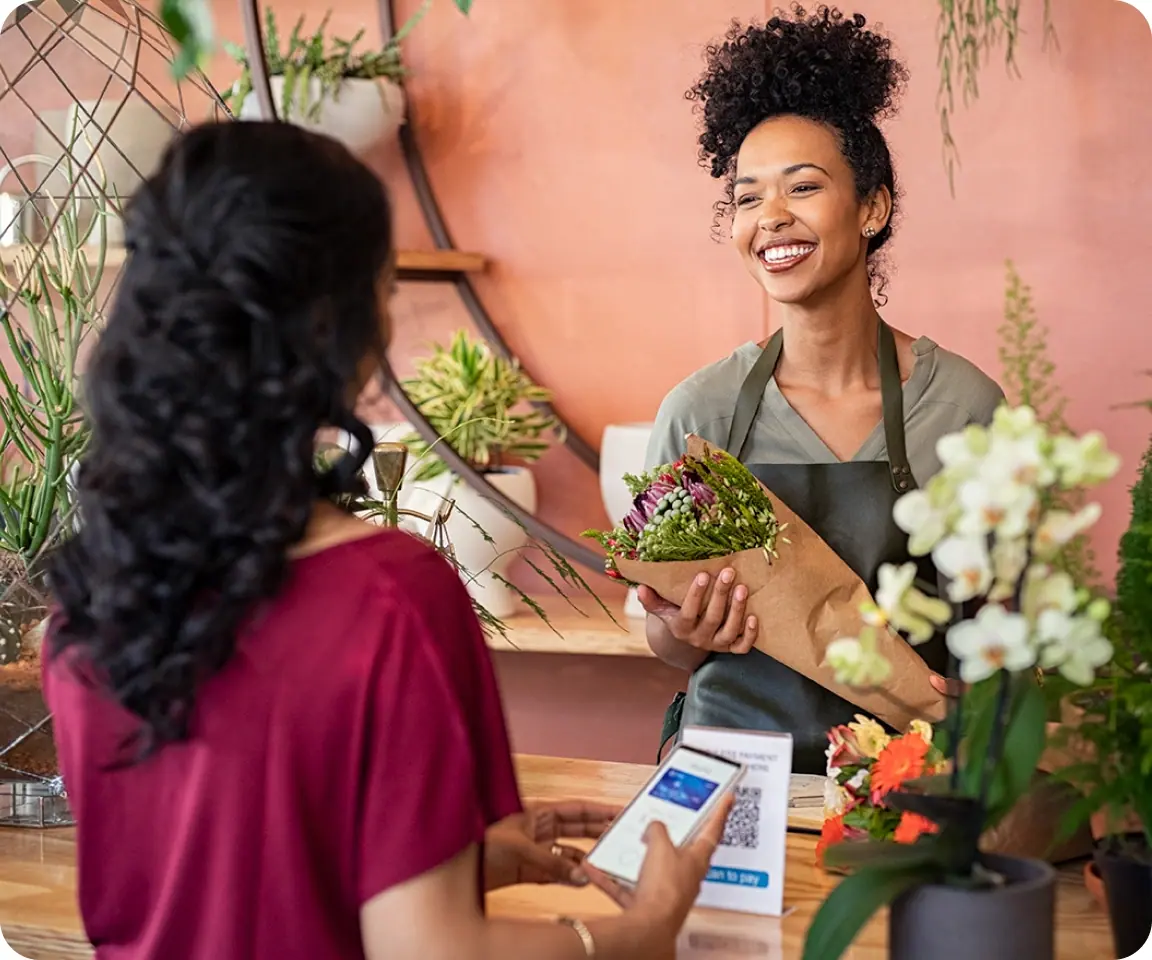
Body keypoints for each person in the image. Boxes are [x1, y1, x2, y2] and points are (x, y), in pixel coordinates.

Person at [43, 121, 730, 960]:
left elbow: (225, 872)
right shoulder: (389, 600)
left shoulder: (89, 601)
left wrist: (458, 861)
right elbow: (432, 954)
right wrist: (638, 932)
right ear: (338, 328)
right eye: (384, 284)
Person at [642, 6, 1005, 773]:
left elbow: (1005, 634)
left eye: (802, 187)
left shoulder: (965, 410)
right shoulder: (700, 414)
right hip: (735, 784)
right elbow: (666, 645)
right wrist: (687, 628)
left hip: (907, 792)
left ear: (872, 208)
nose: (770, 217)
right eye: (745, 198)